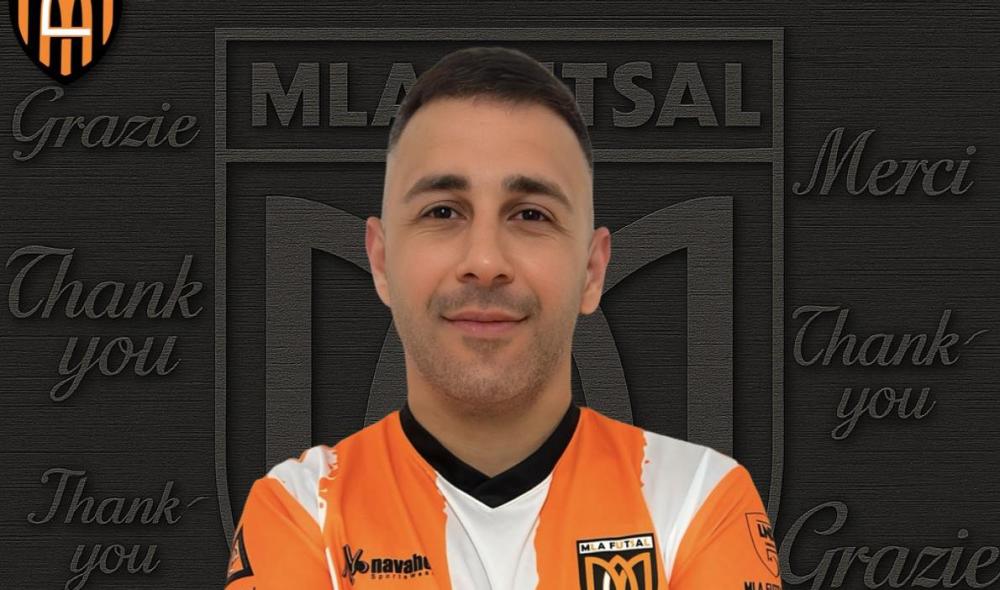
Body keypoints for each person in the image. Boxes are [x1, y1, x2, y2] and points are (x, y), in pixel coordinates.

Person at [225, 46, 783, 590]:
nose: (486, 262)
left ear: (592, 271)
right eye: (443, 211)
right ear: (382, 262)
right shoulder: (301, 507)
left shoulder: (697, 499)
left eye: (531, 214)